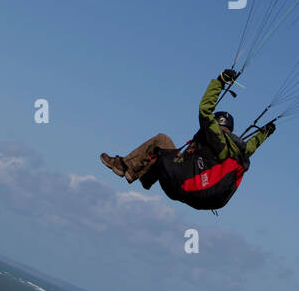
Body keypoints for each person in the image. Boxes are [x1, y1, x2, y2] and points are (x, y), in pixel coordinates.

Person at [100, 70, 276, 211]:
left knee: (162, 140)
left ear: (218, 125)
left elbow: (204, 109)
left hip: (181, 181)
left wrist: (220, 82)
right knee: (167, 156)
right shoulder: (238, 150)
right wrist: (265, 132)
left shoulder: (215, 136)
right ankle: (140, 176)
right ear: (230, 129)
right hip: (197, 197)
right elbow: (252, 146)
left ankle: (123, 166)